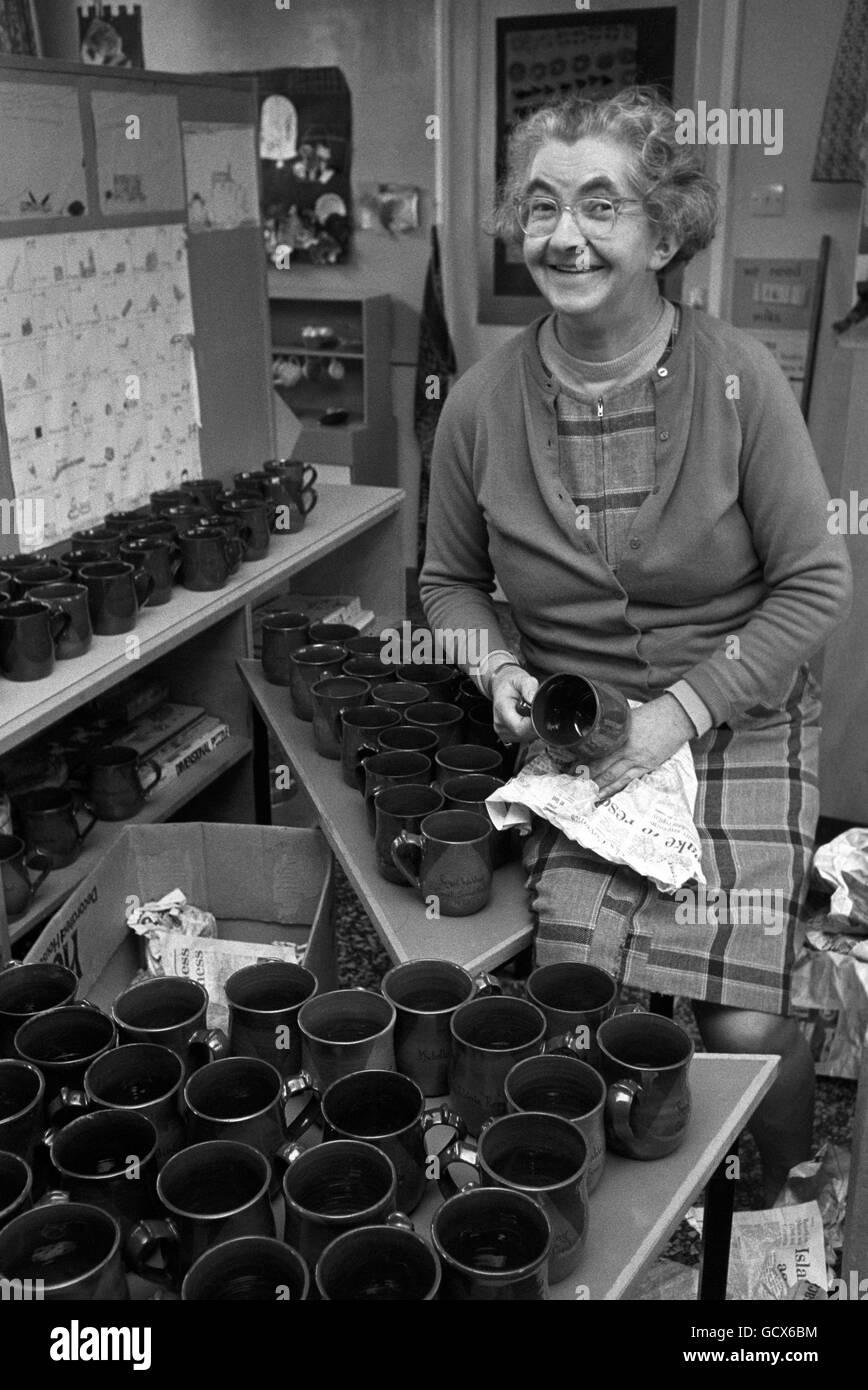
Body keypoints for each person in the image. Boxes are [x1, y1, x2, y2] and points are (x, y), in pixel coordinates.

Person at [419, 87, 852, 1202]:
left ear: (663, 233)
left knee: (750, 1014)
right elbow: (448, 580)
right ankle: (594, 1191)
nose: (564, 236)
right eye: (543, 206)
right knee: (569, 977)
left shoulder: (741, 380)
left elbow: (813, 583)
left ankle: (765, 1215)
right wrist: (499, 669)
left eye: (600, 206)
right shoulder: (477, 404)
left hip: (737, 710)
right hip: (590, 727)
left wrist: (683, 712)